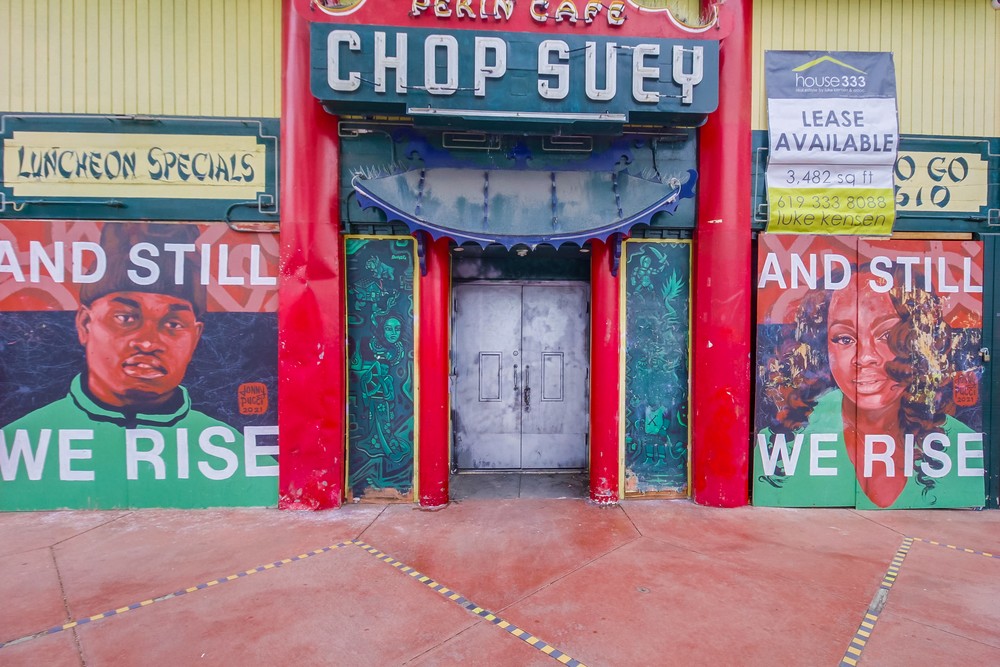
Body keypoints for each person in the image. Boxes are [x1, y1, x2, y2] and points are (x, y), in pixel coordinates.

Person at [0, 223, 275, 510]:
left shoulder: (236, 456)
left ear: (195, 337)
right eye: (125, 318)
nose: (147, 342)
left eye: (173, 324)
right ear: (84, 323)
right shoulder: (20, 444)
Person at [756, 264, 985, 509]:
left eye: (887, 335)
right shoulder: (780, 446)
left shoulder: (958, 443)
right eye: (845, 338)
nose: (865, 357)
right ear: (824, 347)